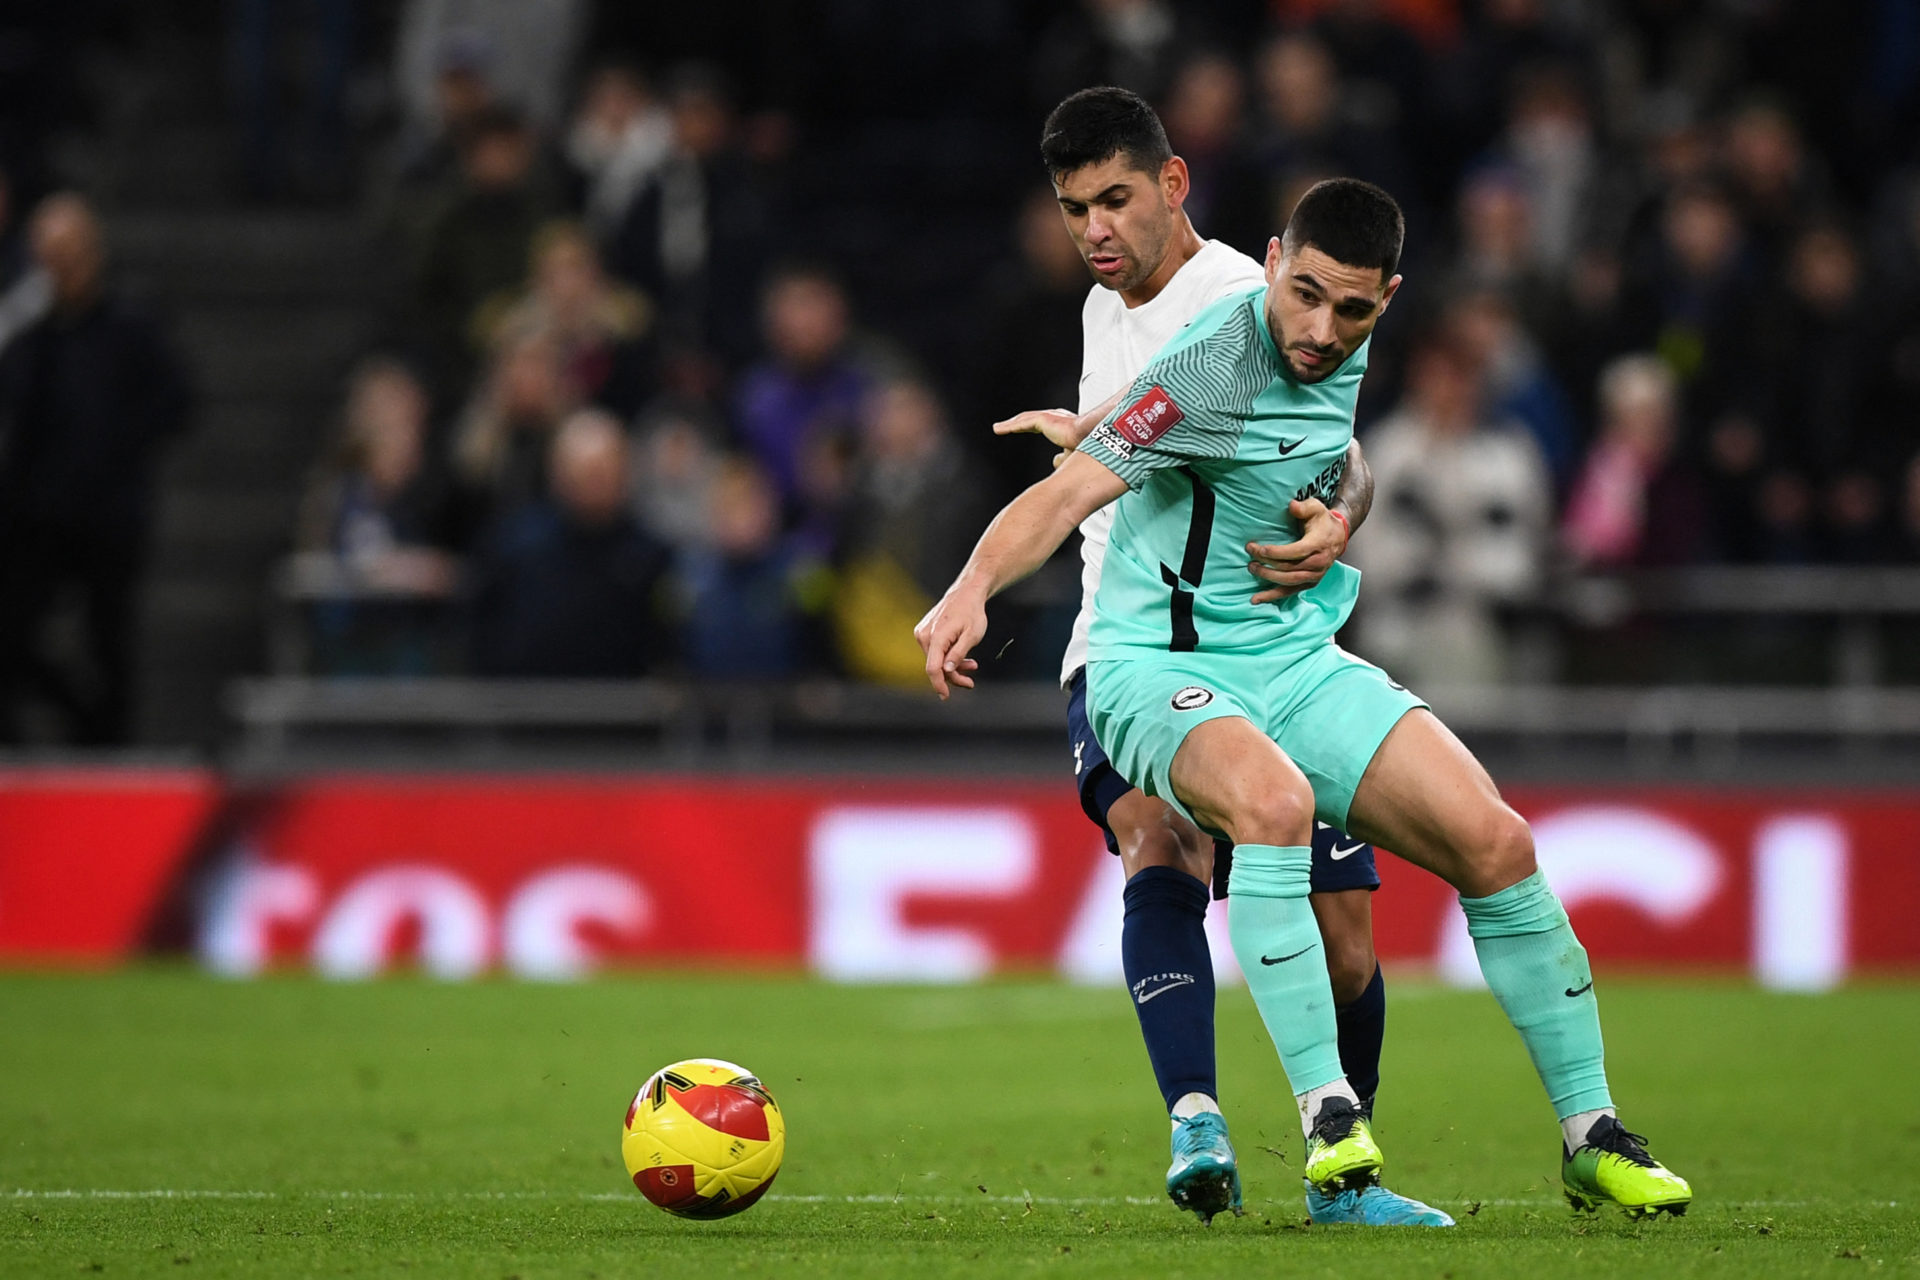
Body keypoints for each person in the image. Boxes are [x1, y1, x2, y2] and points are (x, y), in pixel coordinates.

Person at [921, 175, 1692, 1221]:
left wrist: (1339, 516)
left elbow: (1333, 452)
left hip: (1292, 657)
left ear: (1389, 298)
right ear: (1276, 260)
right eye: (1309, 297)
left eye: (1355, 310)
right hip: (1157, 665)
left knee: (1498, 840)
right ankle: (1329, 1118)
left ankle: (1590, 1133)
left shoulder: (1340, 334)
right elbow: (1069, 494)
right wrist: (969, 587)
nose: (1324, 331)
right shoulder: (1218, 362)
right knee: (1272, 809)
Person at [986, 88, 1442, 1228]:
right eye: (1072, 206)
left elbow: (1344, 457)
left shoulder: (1248, 296)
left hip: (1262, 651)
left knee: (1346, 937)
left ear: (1174, 184)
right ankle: (1196, 1116)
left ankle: (1348, 1168)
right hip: (1127, 647)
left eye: (1115, 199)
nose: (1093, 228)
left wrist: (1342, 517)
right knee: (1158, 836)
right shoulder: (1106, 309)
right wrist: (1089, 437)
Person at [0, 193, 192, 745]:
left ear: (91, 254)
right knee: (11, 633)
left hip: (109, 513)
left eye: (65, 254)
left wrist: (119, 445)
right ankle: (64, 723)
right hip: (38, 513)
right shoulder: (30, 335)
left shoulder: (131, 327)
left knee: (110, 639)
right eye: (45, 256)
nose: (55, 269)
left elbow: (177, 402)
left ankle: (109, 747)